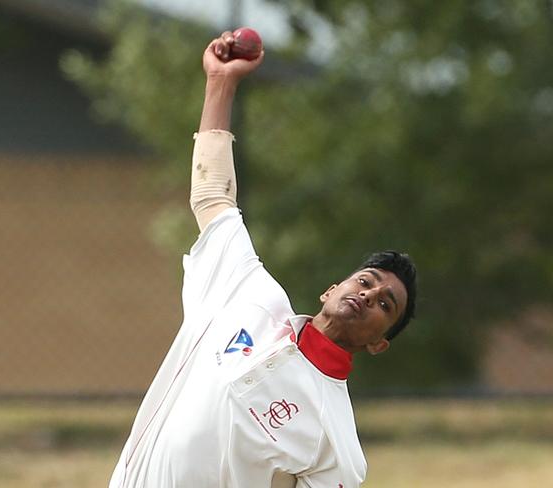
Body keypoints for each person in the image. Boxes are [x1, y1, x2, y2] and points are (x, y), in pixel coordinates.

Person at [109, 31, 417, 488]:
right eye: (366, 281)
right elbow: (213, 194)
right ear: (332, 289)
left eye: (386, 305)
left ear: (379, 343)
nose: (369, 294)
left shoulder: (338, 445)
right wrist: (220, 83)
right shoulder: (249, 293)